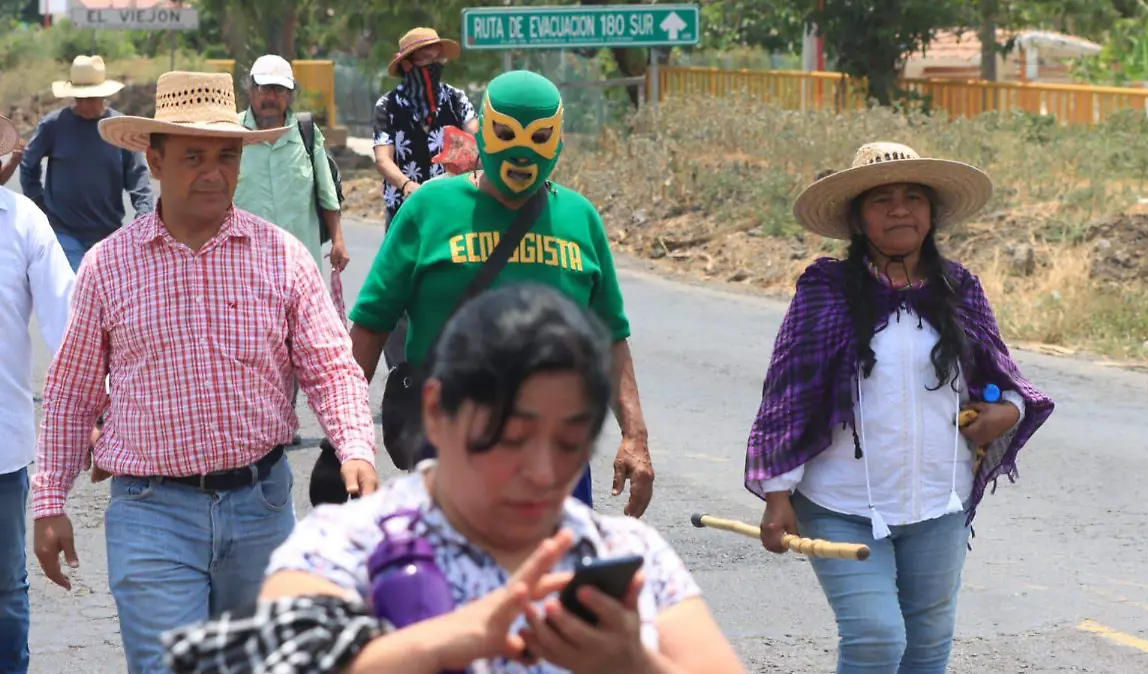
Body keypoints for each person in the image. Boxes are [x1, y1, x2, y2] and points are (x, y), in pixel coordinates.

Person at [161, 283, 747, 674]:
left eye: (571, 442)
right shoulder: (347, 545)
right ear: (438, 411)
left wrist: (636, 664)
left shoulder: (626, 552)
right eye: (511, 437)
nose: (544, 472)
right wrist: (445, 641)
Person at [30, 71, 380, 674]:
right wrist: (49, 500)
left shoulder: (282, 256)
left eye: (226, 155)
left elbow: (330, 364)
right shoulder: (109, 268)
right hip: (150, 513)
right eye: (193, 156)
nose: (214, 172)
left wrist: (355, 445)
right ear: (155, 161)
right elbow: (71, 392)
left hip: (263, 510)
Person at [745, 142, 1055, 673]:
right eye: (882, 199)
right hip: (840, 505)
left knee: (928, 644)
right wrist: (777, 493)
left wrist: (1007, 411)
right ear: (858, 219)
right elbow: (789, 393)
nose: (900, 209)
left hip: (939, 502)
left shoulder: (960, 288)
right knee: (876, 639)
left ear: (931, 214)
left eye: (914, 196)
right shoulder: (826, 291)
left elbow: (1001, 380)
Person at [348, 70, 655, 517]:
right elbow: (371, 328)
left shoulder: (580, 218)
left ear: (559, 139)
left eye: (539, 137)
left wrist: (635, 436)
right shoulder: (428, 209)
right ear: (485, 133)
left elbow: (610, 337)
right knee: (458, 580)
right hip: (449, 447)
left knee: (552, 579)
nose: (521, 152)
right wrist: (351, 443)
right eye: (507, 133)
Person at [234, 53, 351, 445]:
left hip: (296, 262)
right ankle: (262, 418)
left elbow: (326, 191)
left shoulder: (305, 133)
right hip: (242, 263)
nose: (270, 98)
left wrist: (337, 238)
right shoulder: (231, 133)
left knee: (296, 343)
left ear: (289, 96)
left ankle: (281, 414)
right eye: (265, 89)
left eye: (279, 91)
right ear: (250, 89)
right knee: (254, 342)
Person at [0, 112, 75, 674]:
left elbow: (65, 322)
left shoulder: (23, 223)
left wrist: (97, 407)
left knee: (4, 592)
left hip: (1, 449)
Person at [372, 26, 479, 369]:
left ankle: (454, 364)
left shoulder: (457, 99)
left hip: (455, 209)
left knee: (455, 283)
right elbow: (383, 157)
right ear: (407, 63)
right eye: (424, 54)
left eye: (436, 53)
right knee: (399, 289)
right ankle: (402, 371)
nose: (432, 60)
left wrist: (464, 163)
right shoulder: (387, 105)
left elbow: (477, 144)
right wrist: (407, 186)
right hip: (405, 210)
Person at [19, 54, 154, 271]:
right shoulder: (54, 125)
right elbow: (28, 165)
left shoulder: (118, 130)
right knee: (75, 292)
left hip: (108, 235)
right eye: (78, 98)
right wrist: (39, 205)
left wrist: (144, 219)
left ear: (102, 96)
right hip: (64, 233)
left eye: (89, 98)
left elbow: (139, 180)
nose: (83, 104)